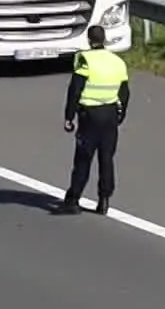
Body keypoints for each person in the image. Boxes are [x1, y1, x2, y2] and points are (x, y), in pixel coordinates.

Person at [54, 24, 130, 216]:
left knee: (83, 158)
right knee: (106, 159)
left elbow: (75, 89)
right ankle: (104, 200)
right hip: (110, 115)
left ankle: (73, 200)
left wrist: (69, 116)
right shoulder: (117, 62)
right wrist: (121, 114)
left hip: (90, 116)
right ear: (104, 39)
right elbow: (125, 92)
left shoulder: (85, 60)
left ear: (89, 40)